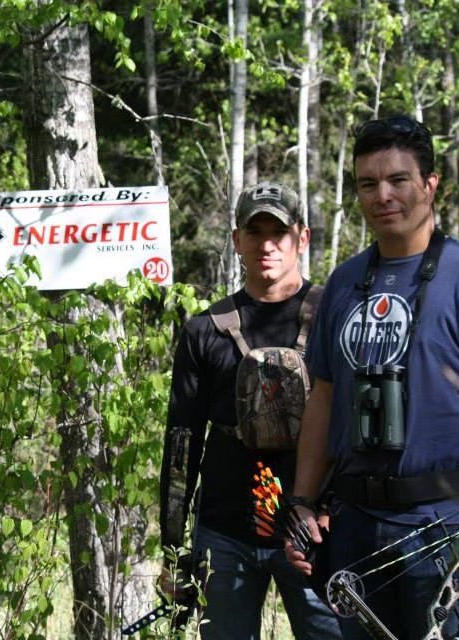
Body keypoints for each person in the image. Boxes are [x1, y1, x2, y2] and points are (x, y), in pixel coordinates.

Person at [285, 115, 459, 639]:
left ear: (430, 184)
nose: (383, 195)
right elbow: (323, 400)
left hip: (444, 527)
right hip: (355, 525)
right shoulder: (345, 283)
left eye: (398, 180)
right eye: (368, 184)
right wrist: (303, 505)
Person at [158, 181, 342, 639]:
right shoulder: (205, 331)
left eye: (278, 233)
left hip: (316, 533)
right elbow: (181, 445)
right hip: (224, 534)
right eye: (254, 232)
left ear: (302, 239)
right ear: (236, 240)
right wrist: (173, 551)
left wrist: (344, 515)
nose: (266, 245)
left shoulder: (335, 319)